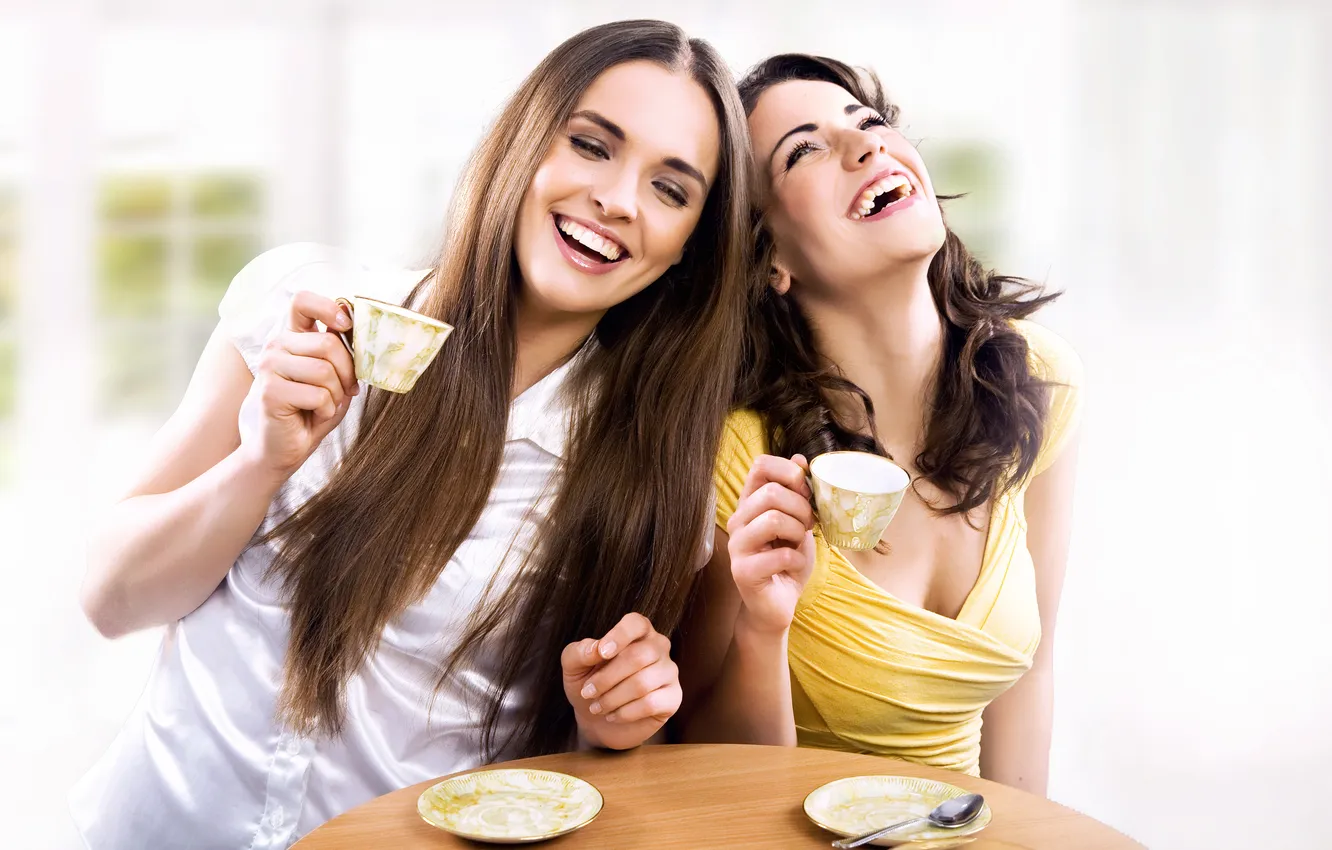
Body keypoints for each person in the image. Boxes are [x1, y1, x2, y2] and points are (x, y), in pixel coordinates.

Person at [73, 20, 755, 846]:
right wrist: (258, 464)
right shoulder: (308, 313)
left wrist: (607, 725)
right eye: (591, 144)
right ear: (525, 139)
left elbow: (572, 777)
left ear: (688, 247)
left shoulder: (649, 478)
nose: (617, 199)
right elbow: (111, 601)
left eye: (671, 189)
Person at [677, 54, 1083, 795]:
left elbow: (1034, 673)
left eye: (868, 124)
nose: (866, 147)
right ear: (770, 258)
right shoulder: (736, 455)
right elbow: (703, 760)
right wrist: (763, 630)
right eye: (804, 150)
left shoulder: (1040, 383)